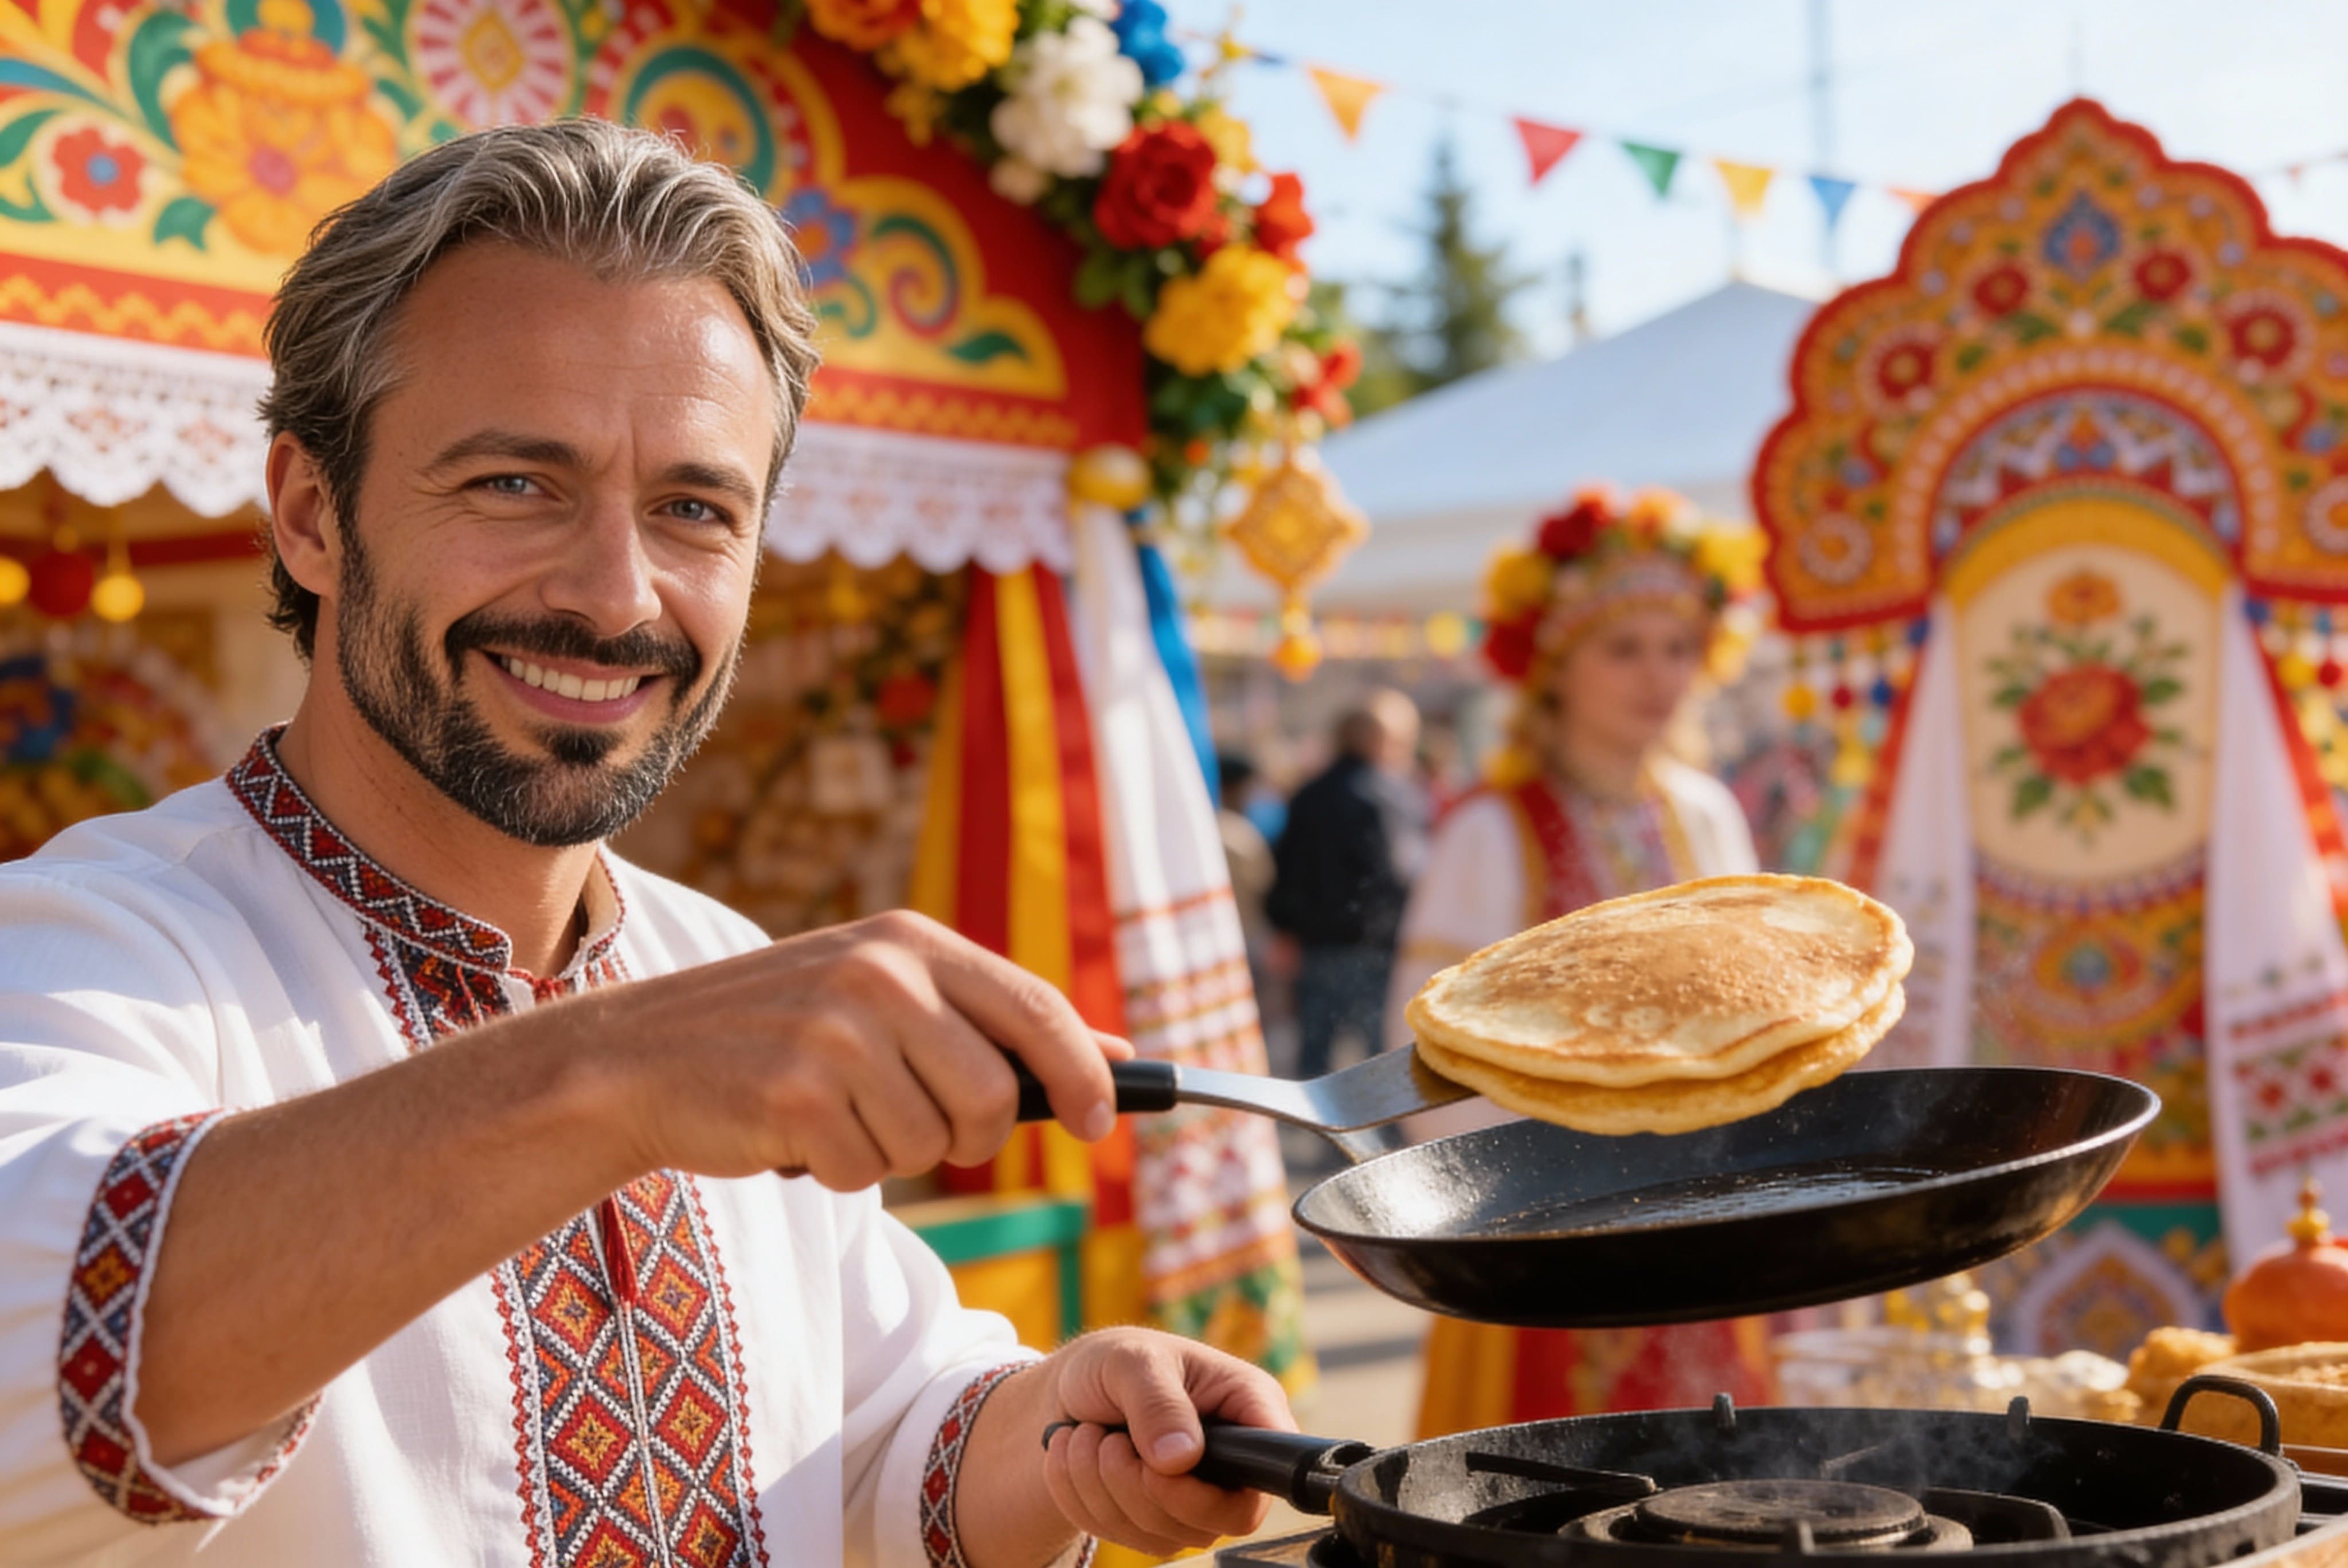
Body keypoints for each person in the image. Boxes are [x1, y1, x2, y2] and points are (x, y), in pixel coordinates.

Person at [0, 121, 1290, 1567]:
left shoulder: (711, 969)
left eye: (693, 508)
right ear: (310, 513)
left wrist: (1066, 1425)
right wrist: (617, 1072)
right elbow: (44, 1340)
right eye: (512, 484)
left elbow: (865, 1444)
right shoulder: (83, 943)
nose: (618, 596)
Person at [1384, 485, 1770, 1436]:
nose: (1658, 676)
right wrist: (1522, 1187)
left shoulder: (1705, 812)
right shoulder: (1488, 829)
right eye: (1624, 648)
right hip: (1538, 1227)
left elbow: (1763, 1006)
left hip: (1703, 1221)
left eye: (1678, 647)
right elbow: (1427, 1048)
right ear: (1556, 664)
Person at [1265, 691, 1428, 1085]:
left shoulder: (1308, 794)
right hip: (1375, 949)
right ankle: (1383, 1145)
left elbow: (1283, 870)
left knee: (1315, 1059)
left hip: (1316, 947)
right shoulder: (1390, 795)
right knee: (1383, 1062)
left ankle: (1312, 1138)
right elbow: (1403, 873)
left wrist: (1286, 928)